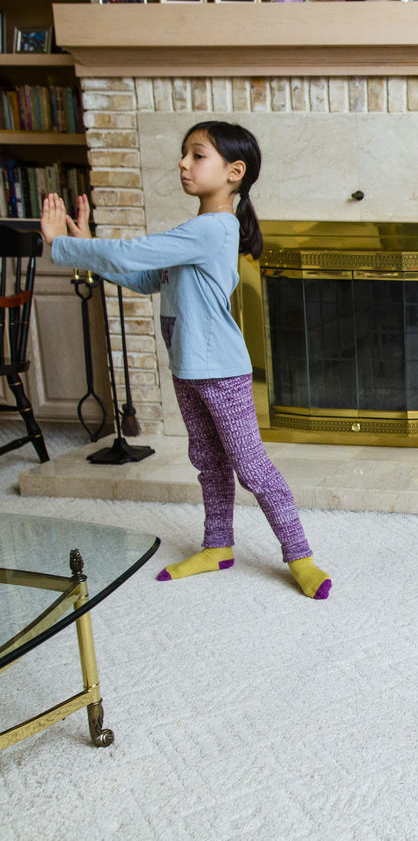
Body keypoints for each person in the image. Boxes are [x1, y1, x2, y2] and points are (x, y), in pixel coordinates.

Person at [41, 121, 332, 601]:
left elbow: (134, 251)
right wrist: (87, 250)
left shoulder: (214, 228)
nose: (183, 163)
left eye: (197, 155)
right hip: (188, 368)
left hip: (221, 372)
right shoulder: (196, 233)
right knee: (209, 462)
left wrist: (61, 245)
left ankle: (300, 556)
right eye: (184, 154)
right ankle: (217, 546)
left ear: (234, 172)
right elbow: (147, 277)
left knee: (252, 467)